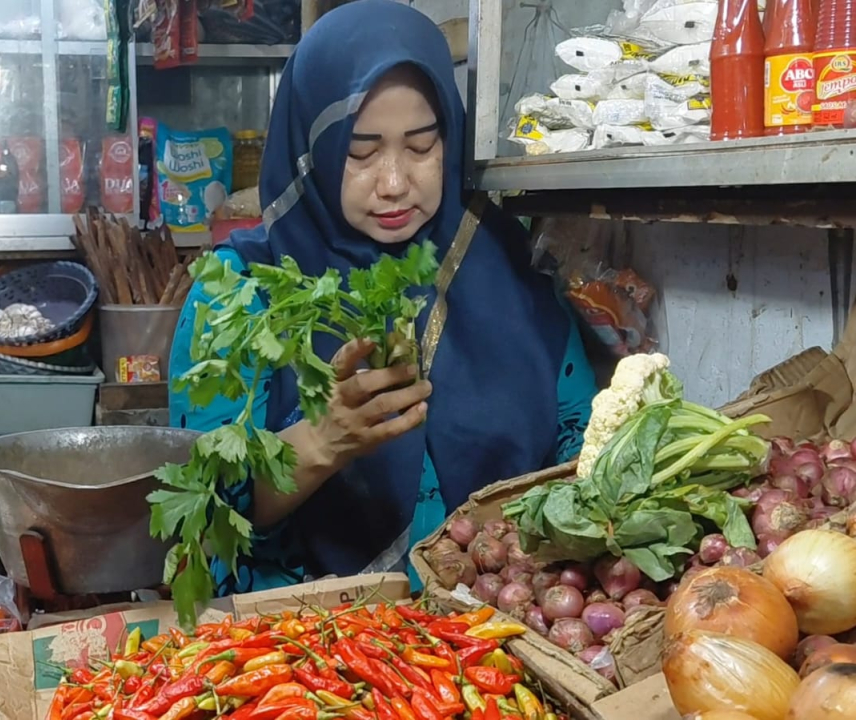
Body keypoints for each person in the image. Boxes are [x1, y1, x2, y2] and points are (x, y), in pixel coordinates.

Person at [167, 0, 597, 594]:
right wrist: (321, 440)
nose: (394, 182)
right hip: (313, 649)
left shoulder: (503, 263)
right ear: (311, 148)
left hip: (499, 628)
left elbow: (581, 447)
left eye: (422, 147)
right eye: (360, 153)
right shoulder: (242, 289)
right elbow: (209, 519)